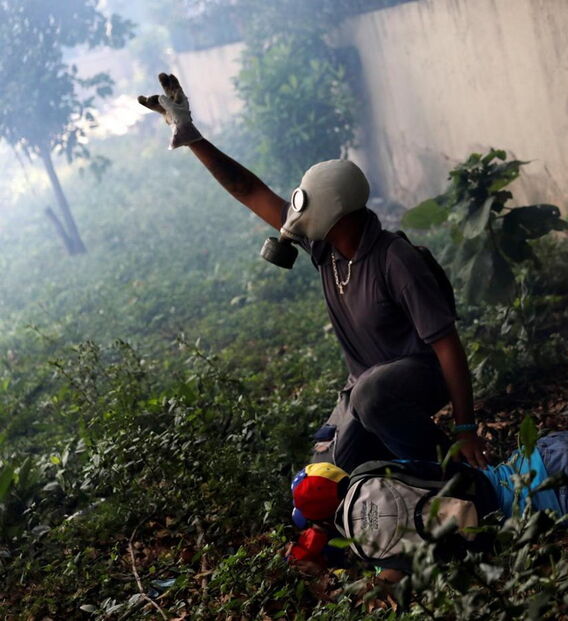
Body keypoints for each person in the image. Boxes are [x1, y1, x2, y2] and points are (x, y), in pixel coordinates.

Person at [137, 73, 487, 470]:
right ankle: (397, 457)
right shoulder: (328, 247)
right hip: (365, 390)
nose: (295, 218)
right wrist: (191, 135)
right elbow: (249, 190)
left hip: (419, 379)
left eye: (307, 208)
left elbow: (448, 346)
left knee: (373, 399)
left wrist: (466, 429)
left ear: (340, 212)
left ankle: (457, 475)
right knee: (320, 481)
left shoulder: (396, 261)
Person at [289, 325, 568, 582]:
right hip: (541, 452)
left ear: (322, 523)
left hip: (558, 492)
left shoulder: (371, 540)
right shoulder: (376, 470)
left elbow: (389, 586)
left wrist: (329, 569)